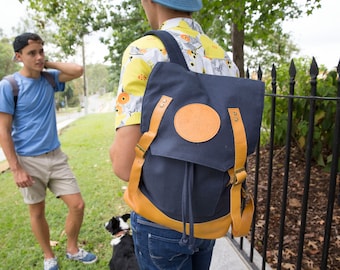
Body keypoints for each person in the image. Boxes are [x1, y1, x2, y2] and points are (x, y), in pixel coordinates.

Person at [109, 0, 240, 269]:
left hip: (161, 217)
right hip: (209, 213)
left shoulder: (143, 52)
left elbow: (123, 165)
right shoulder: (223, 58)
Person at [0, 33, 97, 270]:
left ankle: (72, 248)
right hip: (27, 160)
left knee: (77, 205)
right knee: (37, 210)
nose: (38, 56)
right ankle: (48, 256)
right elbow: (3, 130)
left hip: (56, 156)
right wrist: (16, 169)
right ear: (18, 56)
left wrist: (47, 63)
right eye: (32, 53)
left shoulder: (50, 78)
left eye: (41, 51)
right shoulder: (9, 85)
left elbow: (78, 70)